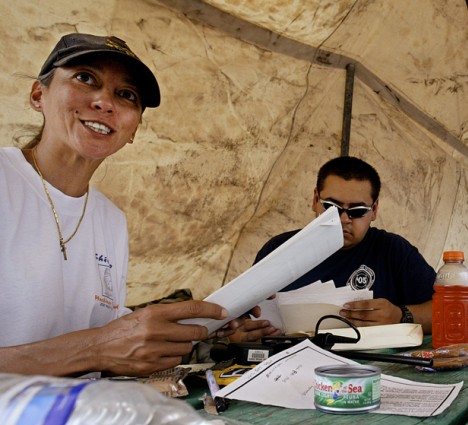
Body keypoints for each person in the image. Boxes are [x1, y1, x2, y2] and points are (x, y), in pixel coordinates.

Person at [0, 33, 244, 377]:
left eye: (126, 95)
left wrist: (206, 327)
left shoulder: (110, 219)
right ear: (39, 95)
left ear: (133, 130)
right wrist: (96, 349)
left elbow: (111, 332)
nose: (104, 102)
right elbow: (102, 344)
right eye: (85, 78)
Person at [231, 156, 436, 342]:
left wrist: (401, 315)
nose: (343, 219)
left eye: (357, 211)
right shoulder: (278, 249)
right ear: (314, 200)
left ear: (374, 210)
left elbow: (452, 312)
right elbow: (240, 322)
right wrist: (240, 334)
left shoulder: (393, 250)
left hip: (374, 367)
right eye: (331, 207)